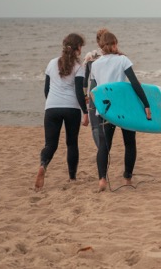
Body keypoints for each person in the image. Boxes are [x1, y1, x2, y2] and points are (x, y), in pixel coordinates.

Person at [90, 31, 152, 192]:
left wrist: (94, 109)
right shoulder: (123, 60)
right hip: (124, 109)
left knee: (104, 146)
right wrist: (146, 105)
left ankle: (102, 179)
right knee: (129, 143)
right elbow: (135, 83)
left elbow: (94, 90)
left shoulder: (95, 65)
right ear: (114, 44)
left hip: (105, 110)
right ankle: (127, 178)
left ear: (101, 46)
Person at [35, 33, 89, 191]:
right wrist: (85, 112)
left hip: (52, 107)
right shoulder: (78, 67)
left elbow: (46, 89)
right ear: (78, 48)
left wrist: (52, 103)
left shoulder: (52, 63)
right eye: (81, 46)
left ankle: (43, 165)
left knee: (50, 144)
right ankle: (72, 178)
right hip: (71, 108)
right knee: (72, 143)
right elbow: (79, 92)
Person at [83, 27, 109, 148]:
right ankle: (106, 149)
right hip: (107, 89)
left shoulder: (90, 56)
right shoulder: (112, 55)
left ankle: (101, 150)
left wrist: (84, 95)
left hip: (94, 89)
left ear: (97, 41)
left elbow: (85, 79)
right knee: (108, 123)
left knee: (95, 125)